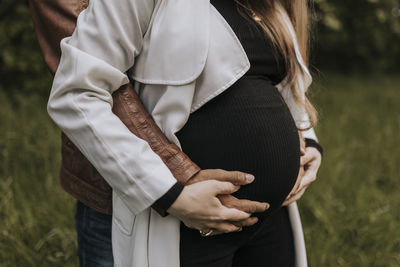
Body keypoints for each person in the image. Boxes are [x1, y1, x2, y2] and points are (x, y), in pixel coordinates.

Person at [34, 0, 323, 266]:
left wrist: (308, 142)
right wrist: (169, 194)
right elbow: (78, 93)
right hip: (187, 223)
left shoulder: (268, 4)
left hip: (272, 222)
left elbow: (286, 86)